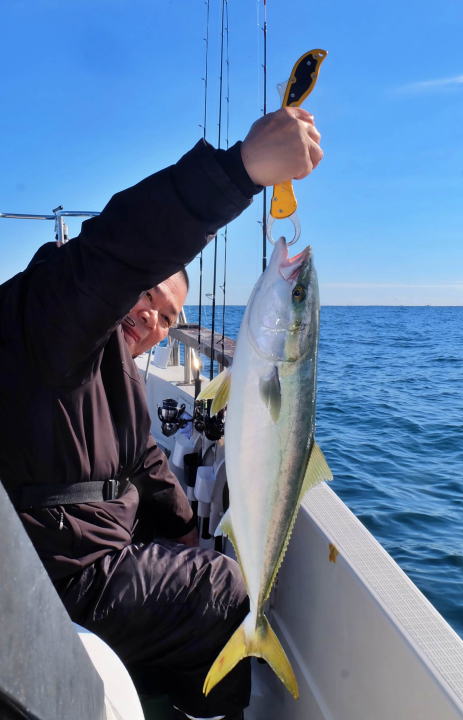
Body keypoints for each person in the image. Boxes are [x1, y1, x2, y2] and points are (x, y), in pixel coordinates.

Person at [0, 107, 323, 720]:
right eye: (148, 294)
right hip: (47, 573)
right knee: (221, 588)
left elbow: (145, 460)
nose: (152, 319)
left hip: (72, 555)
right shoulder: (49, 316)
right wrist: (240, 170)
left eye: (169, 319)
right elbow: (117, 251)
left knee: (194, 560)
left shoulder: (111, 368)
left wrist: (183, 530)